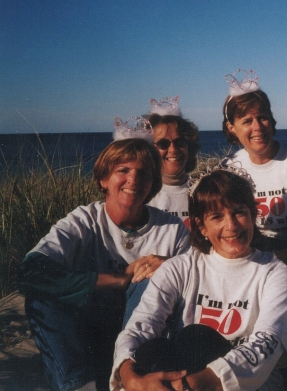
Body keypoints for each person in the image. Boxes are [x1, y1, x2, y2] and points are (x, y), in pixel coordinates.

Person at [16, 118, 191, 391]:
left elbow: (200, 279)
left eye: (144, 173)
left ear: (153, 183)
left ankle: (132, 377)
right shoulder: (84, 221)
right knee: (42, 297)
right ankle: (79, 386)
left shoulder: (171, 230)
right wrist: (120, 279)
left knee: (150, 279)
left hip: (141, 339)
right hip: (83, 336)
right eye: (123, 170)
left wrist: (172, 266)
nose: (133, 179)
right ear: (103, 179)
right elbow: (31, 272)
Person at [111, 168, 287, 391]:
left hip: (245, 384)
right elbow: (140, 326)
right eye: (217, 217)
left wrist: (193, 384)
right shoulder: (179, 267)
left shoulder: (275, 273)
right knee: (152, 350)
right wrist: (128, 374)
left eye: (239, 212)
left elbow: (267, 343)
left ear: (253, 216)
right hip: (184, 377)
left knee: (195, 337)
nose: (231, 226)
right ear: (201, 226)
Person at [220, 69, 287, 272]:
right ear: (231, 127)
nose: (257, 127)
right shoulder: (229, 168)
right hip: (252, 254)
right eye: (246, 121)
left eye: (262, 117)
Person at [145, 95, 201, 229]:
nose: (173, 150)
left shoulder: (202, 191)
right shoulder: (143, 195)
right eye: (163, 144)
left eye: (180, 142)